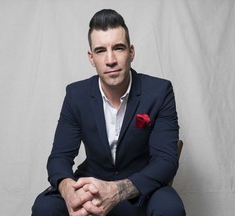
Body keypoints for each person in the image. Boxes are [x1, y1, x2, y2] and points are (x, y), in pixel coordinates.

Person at [32, 9, 186, 216]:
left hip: (140, 189)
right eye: (101, 50)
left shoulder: (159, 92)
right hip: (91, 185)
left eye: (118, 48)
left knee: (170, 209)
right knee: (45, 207)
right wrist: (68, 189)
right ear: (91, 57)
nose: (110, 59)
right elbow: (59, 157)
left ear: (131, 52)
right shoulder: (76, 95)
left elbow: (166, 161)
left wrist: (117, 190)